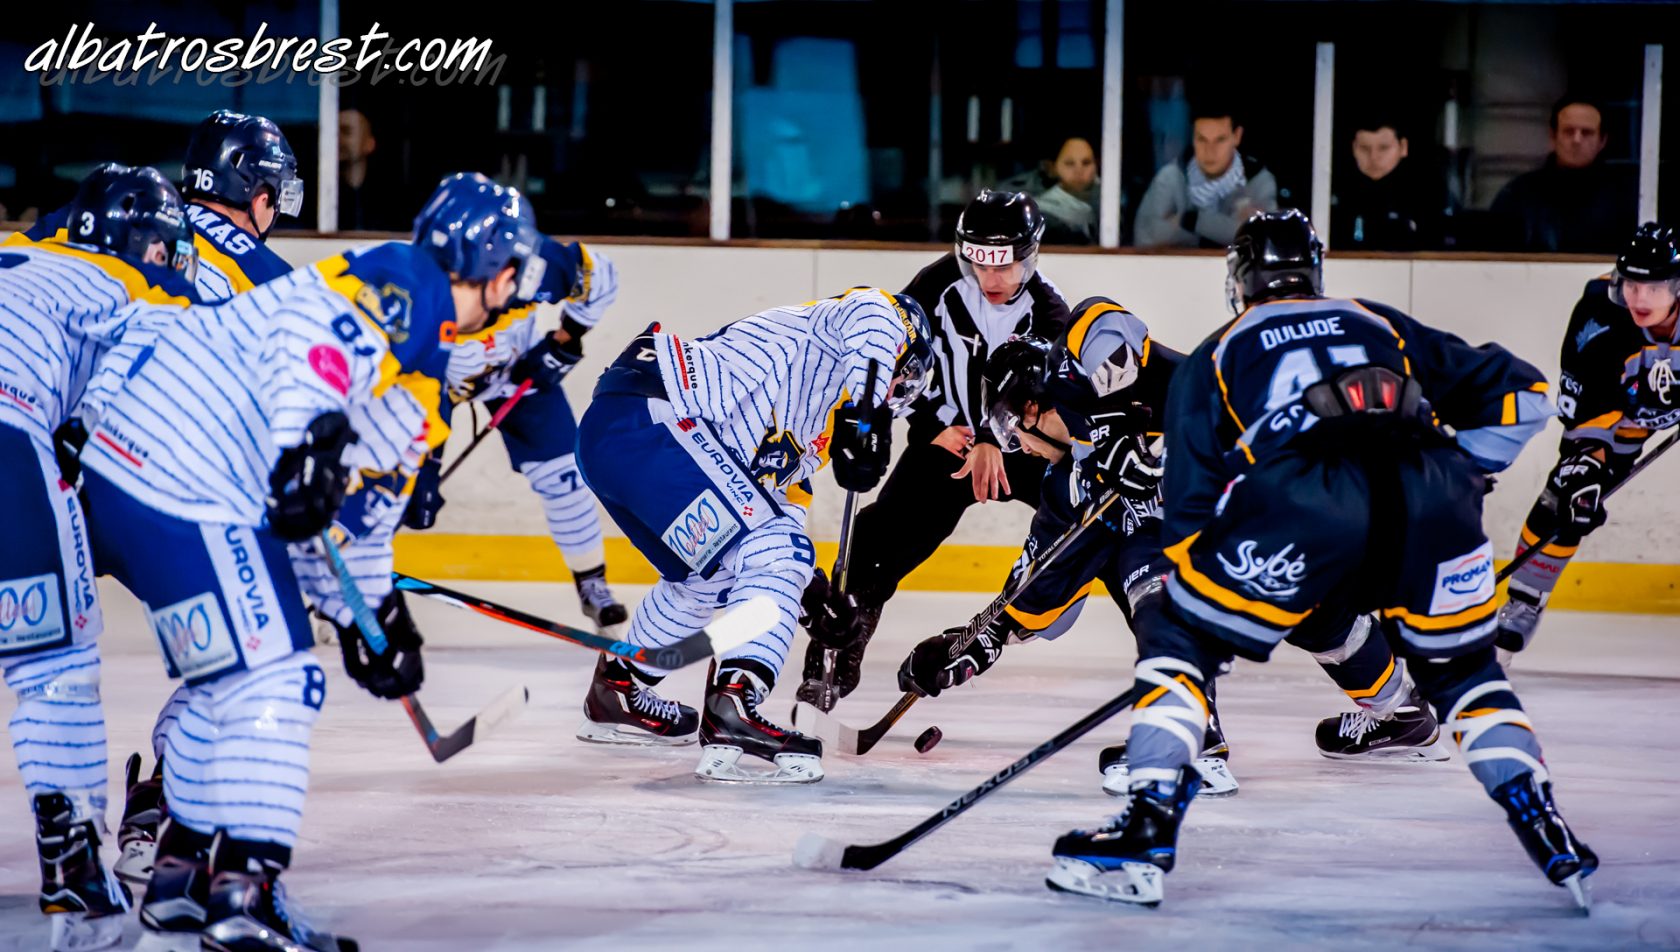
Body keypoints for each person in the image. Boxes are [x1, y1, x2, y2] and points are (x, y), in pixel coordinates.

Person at [1045, 210, 1595, 911]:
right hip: (1433, 497)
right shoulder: (1375, 320)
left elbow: (1185, 523)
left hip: (1305, 502)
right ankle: (1545, 825)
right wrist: (1458, 475)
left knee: (1177, 635)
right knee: (1465, 673)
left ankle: (1144, 833)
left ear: (1240, 281)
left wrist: (1224, 593)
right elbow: (1527, 398)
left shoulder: (1218, 353)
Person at [67, 172, 544, 950]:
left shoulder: (418, 376)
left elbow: (358, 524)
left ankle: (181, 880)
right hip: (183, 467)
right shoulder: (410, 279)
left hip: (149, 475)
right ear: (500, 273)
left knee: (229, 683)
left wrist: (376, 619)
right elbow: (309, 343)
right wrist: (306, 445)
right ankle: (243, 901)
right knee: (282, 680)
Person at [571, 287, 933, 783]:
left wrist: (812, 596)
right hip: (655, 416)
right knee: (777, 550)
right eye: (902, 375)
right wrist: (868, 416)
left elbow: (771, 527)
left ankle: (617, 690)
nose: (898, 388)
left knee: (708, 580)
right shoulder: (849, 321)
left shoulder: (817, 436)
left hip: (629, 441)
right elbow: (875, 316)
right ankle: (735, 706)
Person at [0, 165, 198, 952]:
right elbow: (140, 373)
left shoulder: (24, 255)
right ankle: (74, 857)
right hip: (7, 433)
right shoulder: (139, 286)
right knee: (55, 658)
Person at [796, 190, 1071, 709]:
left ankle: (1152, 625)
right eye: (979, 264)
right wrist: (931, 424)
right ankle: (835, 653)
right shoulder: (936, 285)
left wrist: (995, 438)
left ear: (1030, 256)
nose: (990, 278)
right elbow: (898, 358)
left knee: (1086, 525)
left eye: (1004, 266)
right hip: (949, 438)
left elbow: (1052, 400)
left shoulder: (1052, 313)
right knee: (877, 539)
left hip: (1024, 448)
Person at [1496, 222, 1679, 653]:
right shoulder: (1600, 313)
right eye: (1632, 285)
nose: (1639, 298)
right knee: (1570, 494)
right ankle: (1524, 602)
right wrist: (1586, 466)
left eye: (1653, 288)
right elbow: (1588, 408)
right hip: (1622, 413)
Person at [1490, 96, 1635, 253]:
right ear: (1553, 136)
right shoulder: (1517, 195)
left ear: (1602, 141)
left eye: (1586, 133)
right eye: (1568, 131)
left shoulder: (1624, 200)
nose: (1576, 140)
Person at [1134, 103, 1277, 248]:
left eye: (1220, 140)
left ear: (1237, 136)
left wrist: (1190, 220)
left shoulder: (1258, 181)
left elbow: (1265, 241)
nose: (1210, 151)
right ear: (1193, 138)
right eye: (1202, 139)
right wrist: (1229, 229)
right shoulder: (1171, 177)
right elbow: (1146, 237)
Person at [1331, 114, 1455, 251]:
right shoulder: (1336, 191)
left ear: (1403, 147)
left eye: (1384, 148)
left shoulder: (1428, 192)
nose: (1374, 157)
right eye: (1364, 148)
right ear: (1354, 148)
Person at [1036, 137, 1100, 245]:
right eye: (1070, 163)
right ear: (1053, 168)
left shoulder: (1110, 201)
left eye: (1086, 163)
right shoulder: (1043, 211)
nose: (1079, 171)